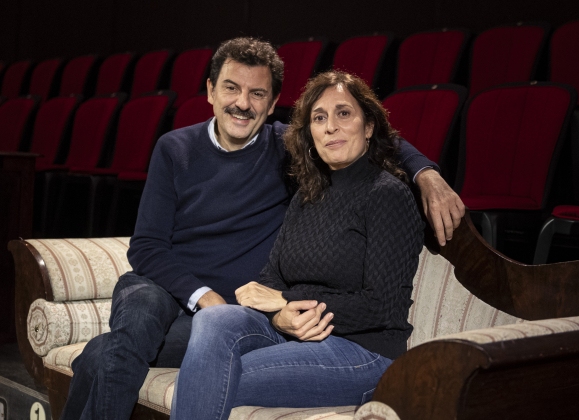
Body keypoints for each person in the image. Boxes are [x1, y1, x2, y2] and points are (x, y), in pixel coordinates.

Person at [60, 37, 463, 420]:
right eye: (231, 88)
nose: (242, 104)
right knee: (138, 323)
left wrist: (426, 173)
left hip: (236, 314)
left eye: (257, 94)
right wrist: (208, 298)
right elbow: (147, 247)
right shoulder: (175, 148)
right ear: (210, 91)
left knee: (102, 354)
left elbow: (366, 136)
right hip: (165, 287)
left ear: (272, 105)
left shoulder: (287, 148)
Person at [172, 70, 424, 419]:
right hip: (297, 333)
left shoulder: (387, 195)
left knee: (215, 375)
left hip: (364, 351)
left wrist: (286, 301)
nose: (330, 127)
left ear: (369, 127)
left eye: (343, 113)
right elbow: (271, 278)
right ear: (311, 134)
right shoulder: (308, 196)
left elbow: (382, 306)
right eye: (319, 118)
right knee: (215, 321)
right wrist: (279, 317)